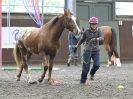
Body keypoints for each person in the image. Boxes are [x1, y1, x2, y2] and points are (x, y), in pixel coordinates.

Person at [75, 17, 104, 84]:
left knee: (97, 65)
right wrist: (78, 44)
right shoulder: (86, 31)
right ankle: (82, 81)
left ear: (96, 24)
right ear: (90, 24)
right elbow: (82, 39)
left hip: (96, 50)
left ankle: (92, 73)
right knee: (86, 67)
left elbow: (102, 38)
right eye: (92, 24)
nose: (93, 25)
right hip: (87, 51)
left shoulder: (99, 30)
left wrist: (96, 39)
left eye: (95, 24)